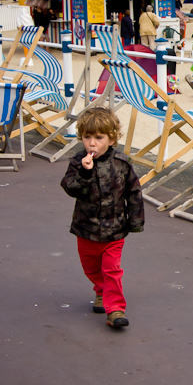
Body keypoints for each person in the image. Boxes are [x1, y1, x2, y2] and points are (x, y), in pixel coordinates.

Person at [60, 107, 144, 329]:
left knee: (112, 269)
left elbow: (134, 192)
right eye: (87, 137)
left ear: (112, 138)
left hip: (114, 229)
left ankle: (115, 309)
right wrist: (85, 174)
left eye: (99, 138)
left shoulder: (122, 163)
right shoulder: (78, 162)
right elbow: (69, 188)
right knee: (91, 268)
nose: (92, 143)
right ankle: (101, 291)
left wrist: (135, 221)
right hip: (85, 227)